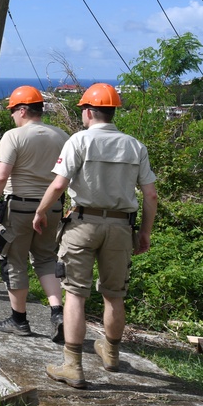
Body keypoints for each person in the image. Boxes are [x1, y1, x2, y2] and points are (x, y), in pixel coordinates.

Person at [33, 83, 158, 389]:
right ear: (113, 111)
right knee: (115, 294)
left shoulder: (80, 141)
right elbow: (151, 195)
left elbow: (59, 185)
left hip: (83, 222)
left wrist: (40, 212)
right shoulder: (134, 145)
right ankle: (112, 354)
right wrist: (145, 232)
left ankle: (73, 365)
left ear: (88, 112)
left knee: (75, 293)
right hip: (120, 227)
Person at [0, 86, 69, 341]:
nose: (11, 117)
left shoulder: (14, 136)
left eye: (12, 112)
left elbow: (0, 175)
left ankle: (19, 320)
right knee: (46, 258)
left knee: (14, 260)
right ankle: (57, 312)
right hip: (52, 206)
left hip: (19, 207)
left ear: (22, 110)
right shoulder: (62, 135)